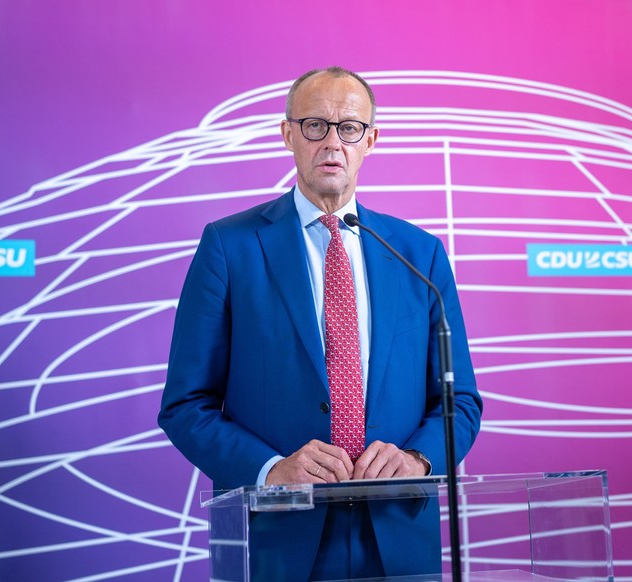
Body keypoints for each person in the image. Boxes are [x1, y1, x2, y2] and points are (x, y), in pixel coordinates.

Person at [158, 66, 482, 580]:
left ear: (371, 140)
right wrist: (270, 472)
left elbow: (460, 401)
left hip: (398, 535)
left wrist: (419, 459)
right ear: (287, 134)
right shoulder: (230, 247)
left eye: (349, 128)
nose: (332, 142)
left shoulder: (417, 253)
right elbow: (185, 406)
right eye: (315, 125)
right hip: (279, 537)